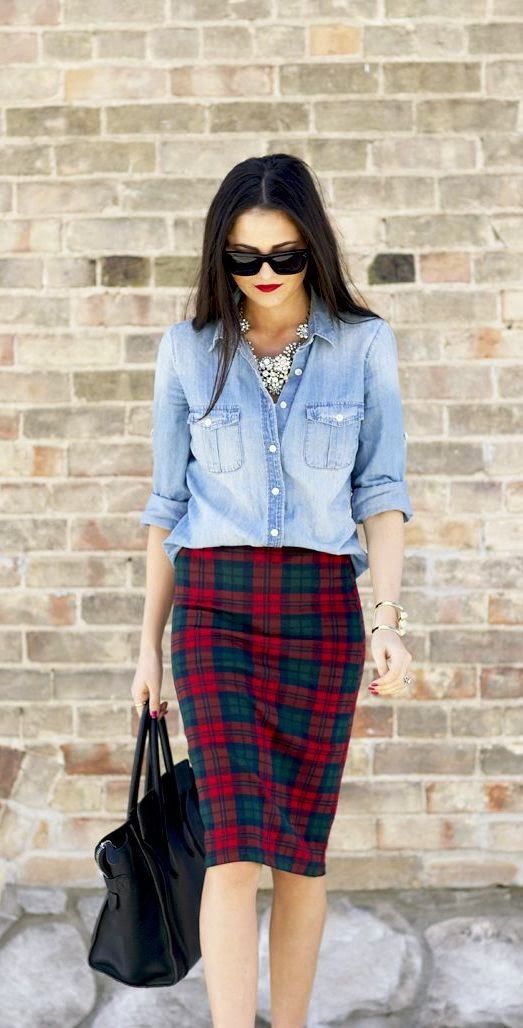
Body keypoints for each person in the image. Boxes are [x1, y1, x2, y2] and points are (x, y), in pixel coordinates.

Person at [131, 153, 414, 1028]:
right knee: (229, 847)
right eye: (243, 257)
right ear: (220, 255)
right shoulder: (187, 350)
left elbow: (381, 492)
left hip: (320, 611)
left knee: (298, 852)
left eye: (283, 256)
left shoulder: (362, 344)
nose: (263, 273)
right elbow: (166, 507)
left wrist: (386, 622)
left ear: (311, 250)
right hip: (213, 611)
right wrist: (146, 649)